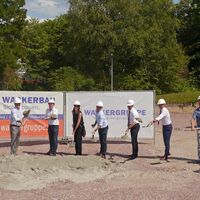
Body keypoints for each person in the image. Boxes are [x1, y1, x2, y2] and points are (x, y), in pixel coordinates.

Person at [191, 96, 200, 161]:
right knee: (199, 145)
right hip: (199, 129)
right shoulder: (196, 111)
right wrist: (193, 126)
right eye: (199, 101)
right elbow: (193, 119)